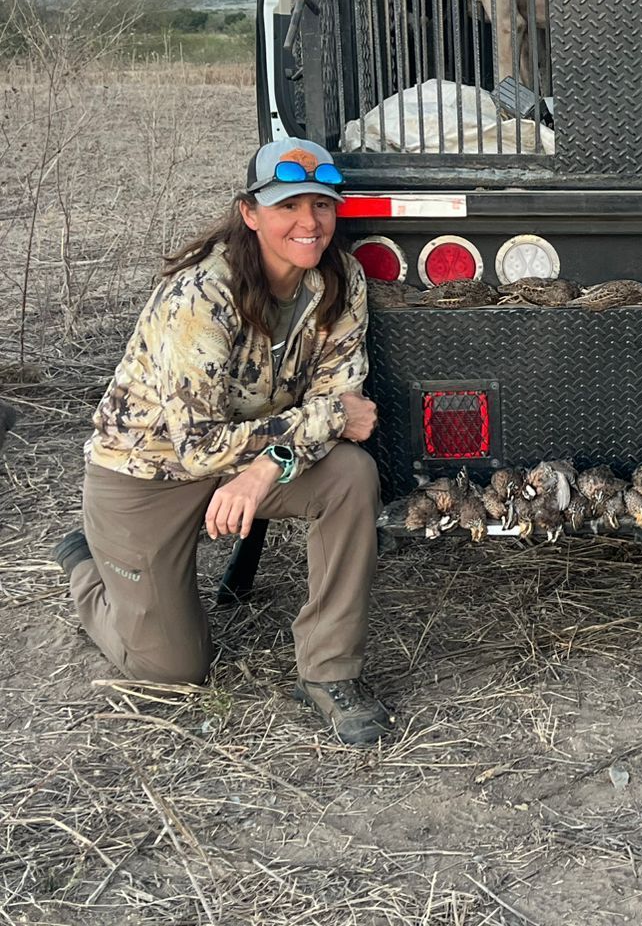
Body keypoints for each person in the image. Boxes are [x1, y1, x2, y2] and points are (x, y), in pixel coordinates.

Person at [54, 138, 394, 746]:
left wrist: (269, 466)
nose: (308, 223)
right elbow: (205, 447)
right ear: (250, 212)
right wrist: (317, 426)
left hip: (248, 459)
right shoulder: (200, 295)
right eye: (288, 205)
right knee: (171, 669)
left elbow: (337, 401)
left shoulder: (341, 280)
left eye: (322, 205)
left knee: (350, 475)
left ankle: (329, 673)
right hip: (146, 473)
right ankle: (87, 566)